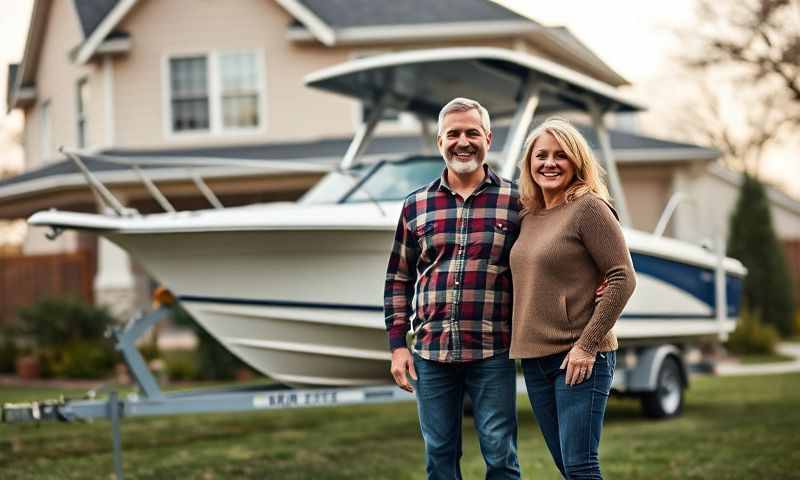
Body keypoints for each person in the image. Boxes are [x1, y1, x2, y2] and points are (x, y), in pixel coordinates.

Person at [384, 97, 522, 479]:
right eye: (454, 133)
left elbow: (544, 259)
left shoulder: (516, 201)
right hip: (431, 353)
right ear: (440, 142)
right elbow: (398, 278)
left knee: (500, 454)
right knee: (440, 456)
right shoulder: (416, 205)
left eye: (472, 132)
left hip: (493, 350)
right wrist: (398, 345)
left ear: (488, 138)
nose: (464, 141)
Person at [510, 117, 636, 479]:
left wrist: (587, 346)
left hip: (578, 356)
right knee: (567, 466)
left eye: (561, 155)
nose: (550, 163)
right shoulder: (530, 216)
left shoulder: (589, 208)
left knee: (581, 466)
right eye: (541, 155)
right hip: (535, 359)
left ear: (577, 162)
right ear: (529, 164)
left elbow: (622, 277)